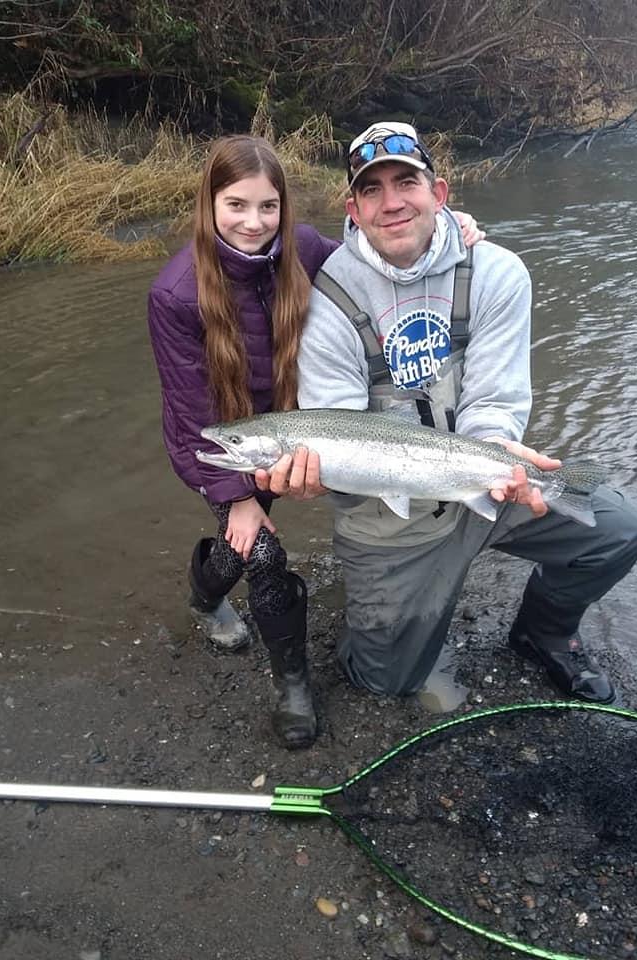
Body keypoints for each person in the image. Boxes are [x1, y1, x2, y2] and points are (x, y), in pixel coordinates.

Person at [256, 121, 637, 707]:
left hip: (482, 483)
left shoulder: (497, 272)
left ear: (439, 194)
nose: (391, 203)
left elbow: (494, 398)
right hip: (390, 520)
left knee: (616, 527)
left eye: (405, 183)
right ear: (353, 210)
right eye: (372, 190)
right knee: (384, 681)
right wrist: (315, 476)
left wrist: (499, 456)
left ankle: (543, 634)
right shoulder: (327, 298)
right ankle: (390, 620)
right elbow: (336, 422)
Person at [147, 134, 484, 748]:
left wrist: (446, 228)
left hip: (300, 424)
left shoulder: (300, 247)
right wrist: (238, 495)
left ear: (284, 208)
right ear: (208, 205)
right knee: (262, 551)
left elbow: (371, 260)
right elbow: (189, 409)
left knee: (241, 548)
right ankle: (293, 687)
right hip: (224, 439)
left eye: (268, 206)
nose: (254, 223)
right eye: (236, 205)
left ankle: (204, 595)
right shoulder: (174, 294)